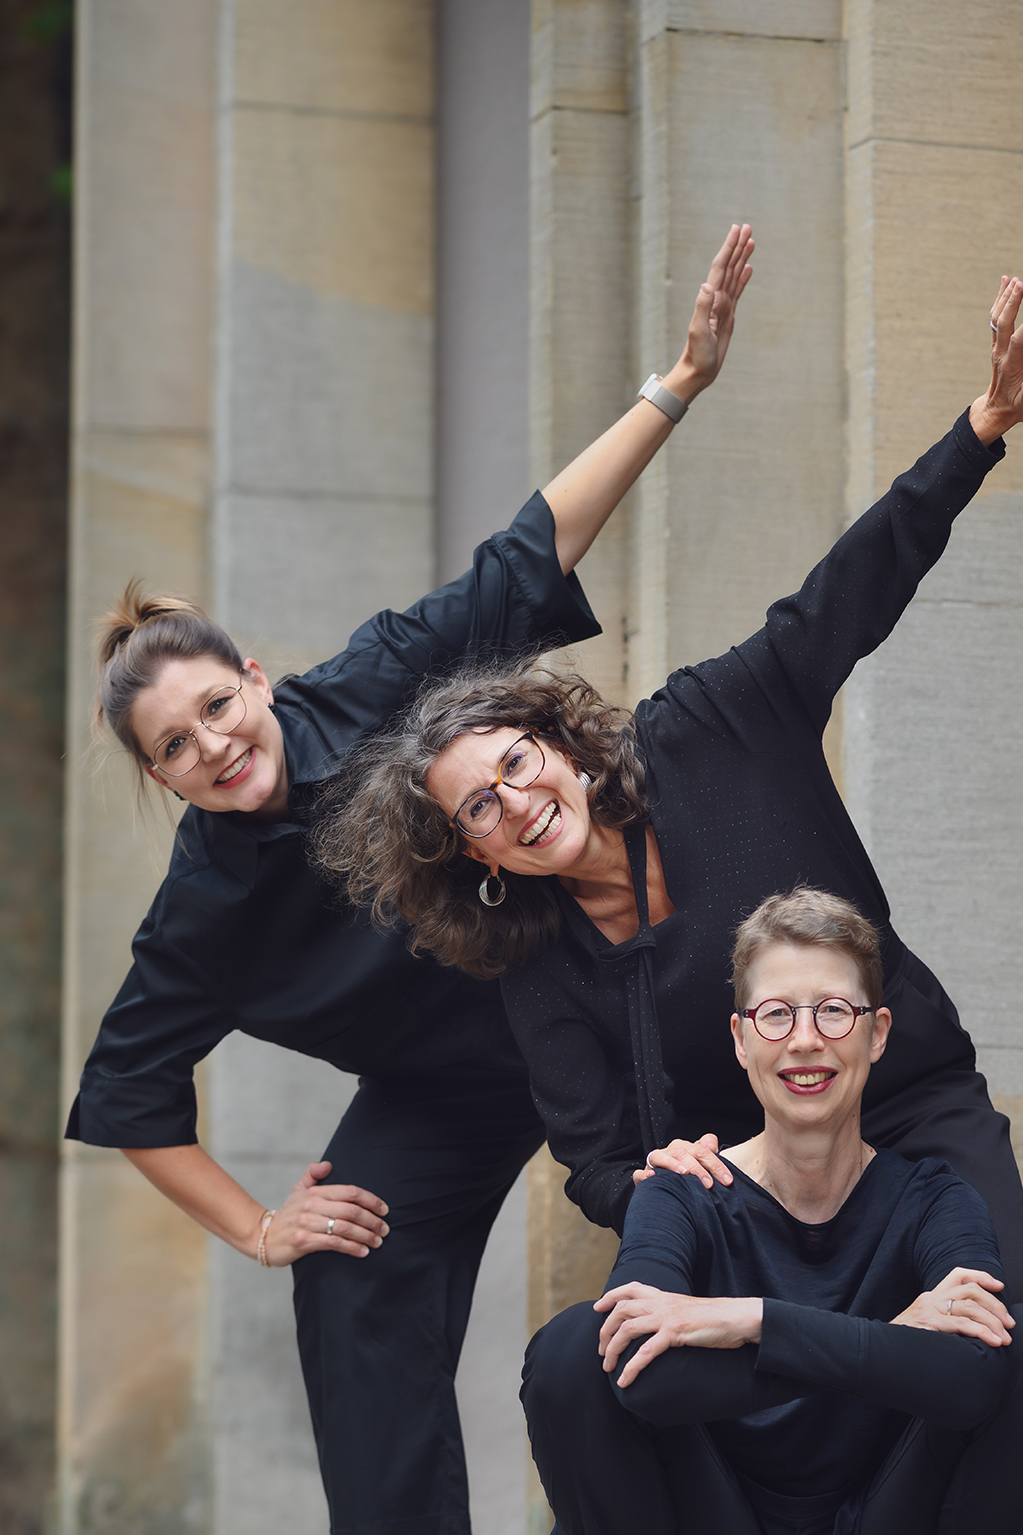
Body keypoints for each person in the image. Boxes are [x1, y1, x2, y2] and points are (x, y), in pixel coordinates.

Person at [66, 224, 756, 1535]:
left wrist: (674, 383)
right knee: (349, 1275)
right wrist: (265, 1225)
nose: (212, 742)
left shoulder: (376, 675)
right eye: (175, 744)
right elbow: (133, 1096)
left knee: (712, 1207)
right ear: (162, 775)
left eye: (216, 703)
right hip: (444, 1091)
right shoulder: (198, 916)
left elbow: (524, 556)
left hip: (588, 999)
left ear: (255, 677)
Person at [315, 274, 1023, 1303]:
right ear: (473, 853)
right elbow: (599, 1163)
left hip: (908, 1105)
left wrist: (974, 434)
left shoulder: (706, 728)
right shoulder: (535, 958)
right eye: (480, 807)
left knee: (1002, 1355)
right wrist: (659, 1177)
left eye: (516, 763)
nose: (515, 802)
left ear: (560, 743)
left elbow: (839, 599)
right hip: (757, 1194)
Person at [520, 889, 1023, 1535]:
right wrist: (893, 1333)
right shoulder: (680, 1189)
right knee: (572, 1349)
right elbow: (641, 1379)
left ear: (876, 1032)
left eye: (832, 1011)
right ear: (740, 1039)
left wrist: (749, 1319)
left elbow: (973, 1378)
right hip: (716, 1512)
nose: (803, 1040)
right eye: (775, 1014)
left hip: (886, 1512)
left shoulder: (935, 1196)